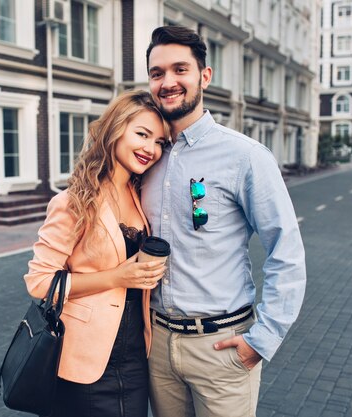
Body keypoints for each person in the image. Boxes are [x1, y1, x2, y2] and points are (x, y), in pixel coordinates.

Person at [141, 26, 307, 417]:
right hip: (156, 346)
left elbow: (286, 250)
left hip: (222, 348)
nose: (168, 82)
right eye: (157, 73)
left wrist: (263, 339)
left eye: (180, 69)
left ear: (205, 75)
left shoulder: (245, 156)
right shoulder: (146, 155)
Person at [24, 90, 170, 417]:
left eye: (160, 142)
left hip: (134, 354)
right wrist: (117, 277)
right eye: (142, 134)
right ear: (115, 129)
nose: (151, 149)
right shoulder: (74, 200)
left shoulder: (140, 195)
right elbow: (39, 282)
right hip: (85, 359)